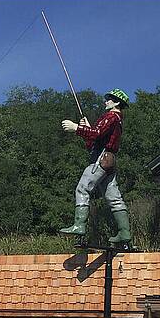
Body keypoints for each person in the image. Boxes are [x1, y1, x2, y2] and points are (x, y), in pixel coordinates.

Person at [60, 88, 131, 245]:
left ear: (116, 102)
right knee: (114, 198)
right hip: (110, 161)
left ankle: (79, 225)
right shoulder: (118, 120)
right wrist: (86, 129)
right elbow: (94, 140)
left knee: (82, 189)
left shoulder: (111, 116)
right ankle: (124, 233)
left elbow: (97, 134)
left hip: (101, 159)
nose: (106, 101)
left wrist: (76, 128)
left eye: (109, 99)